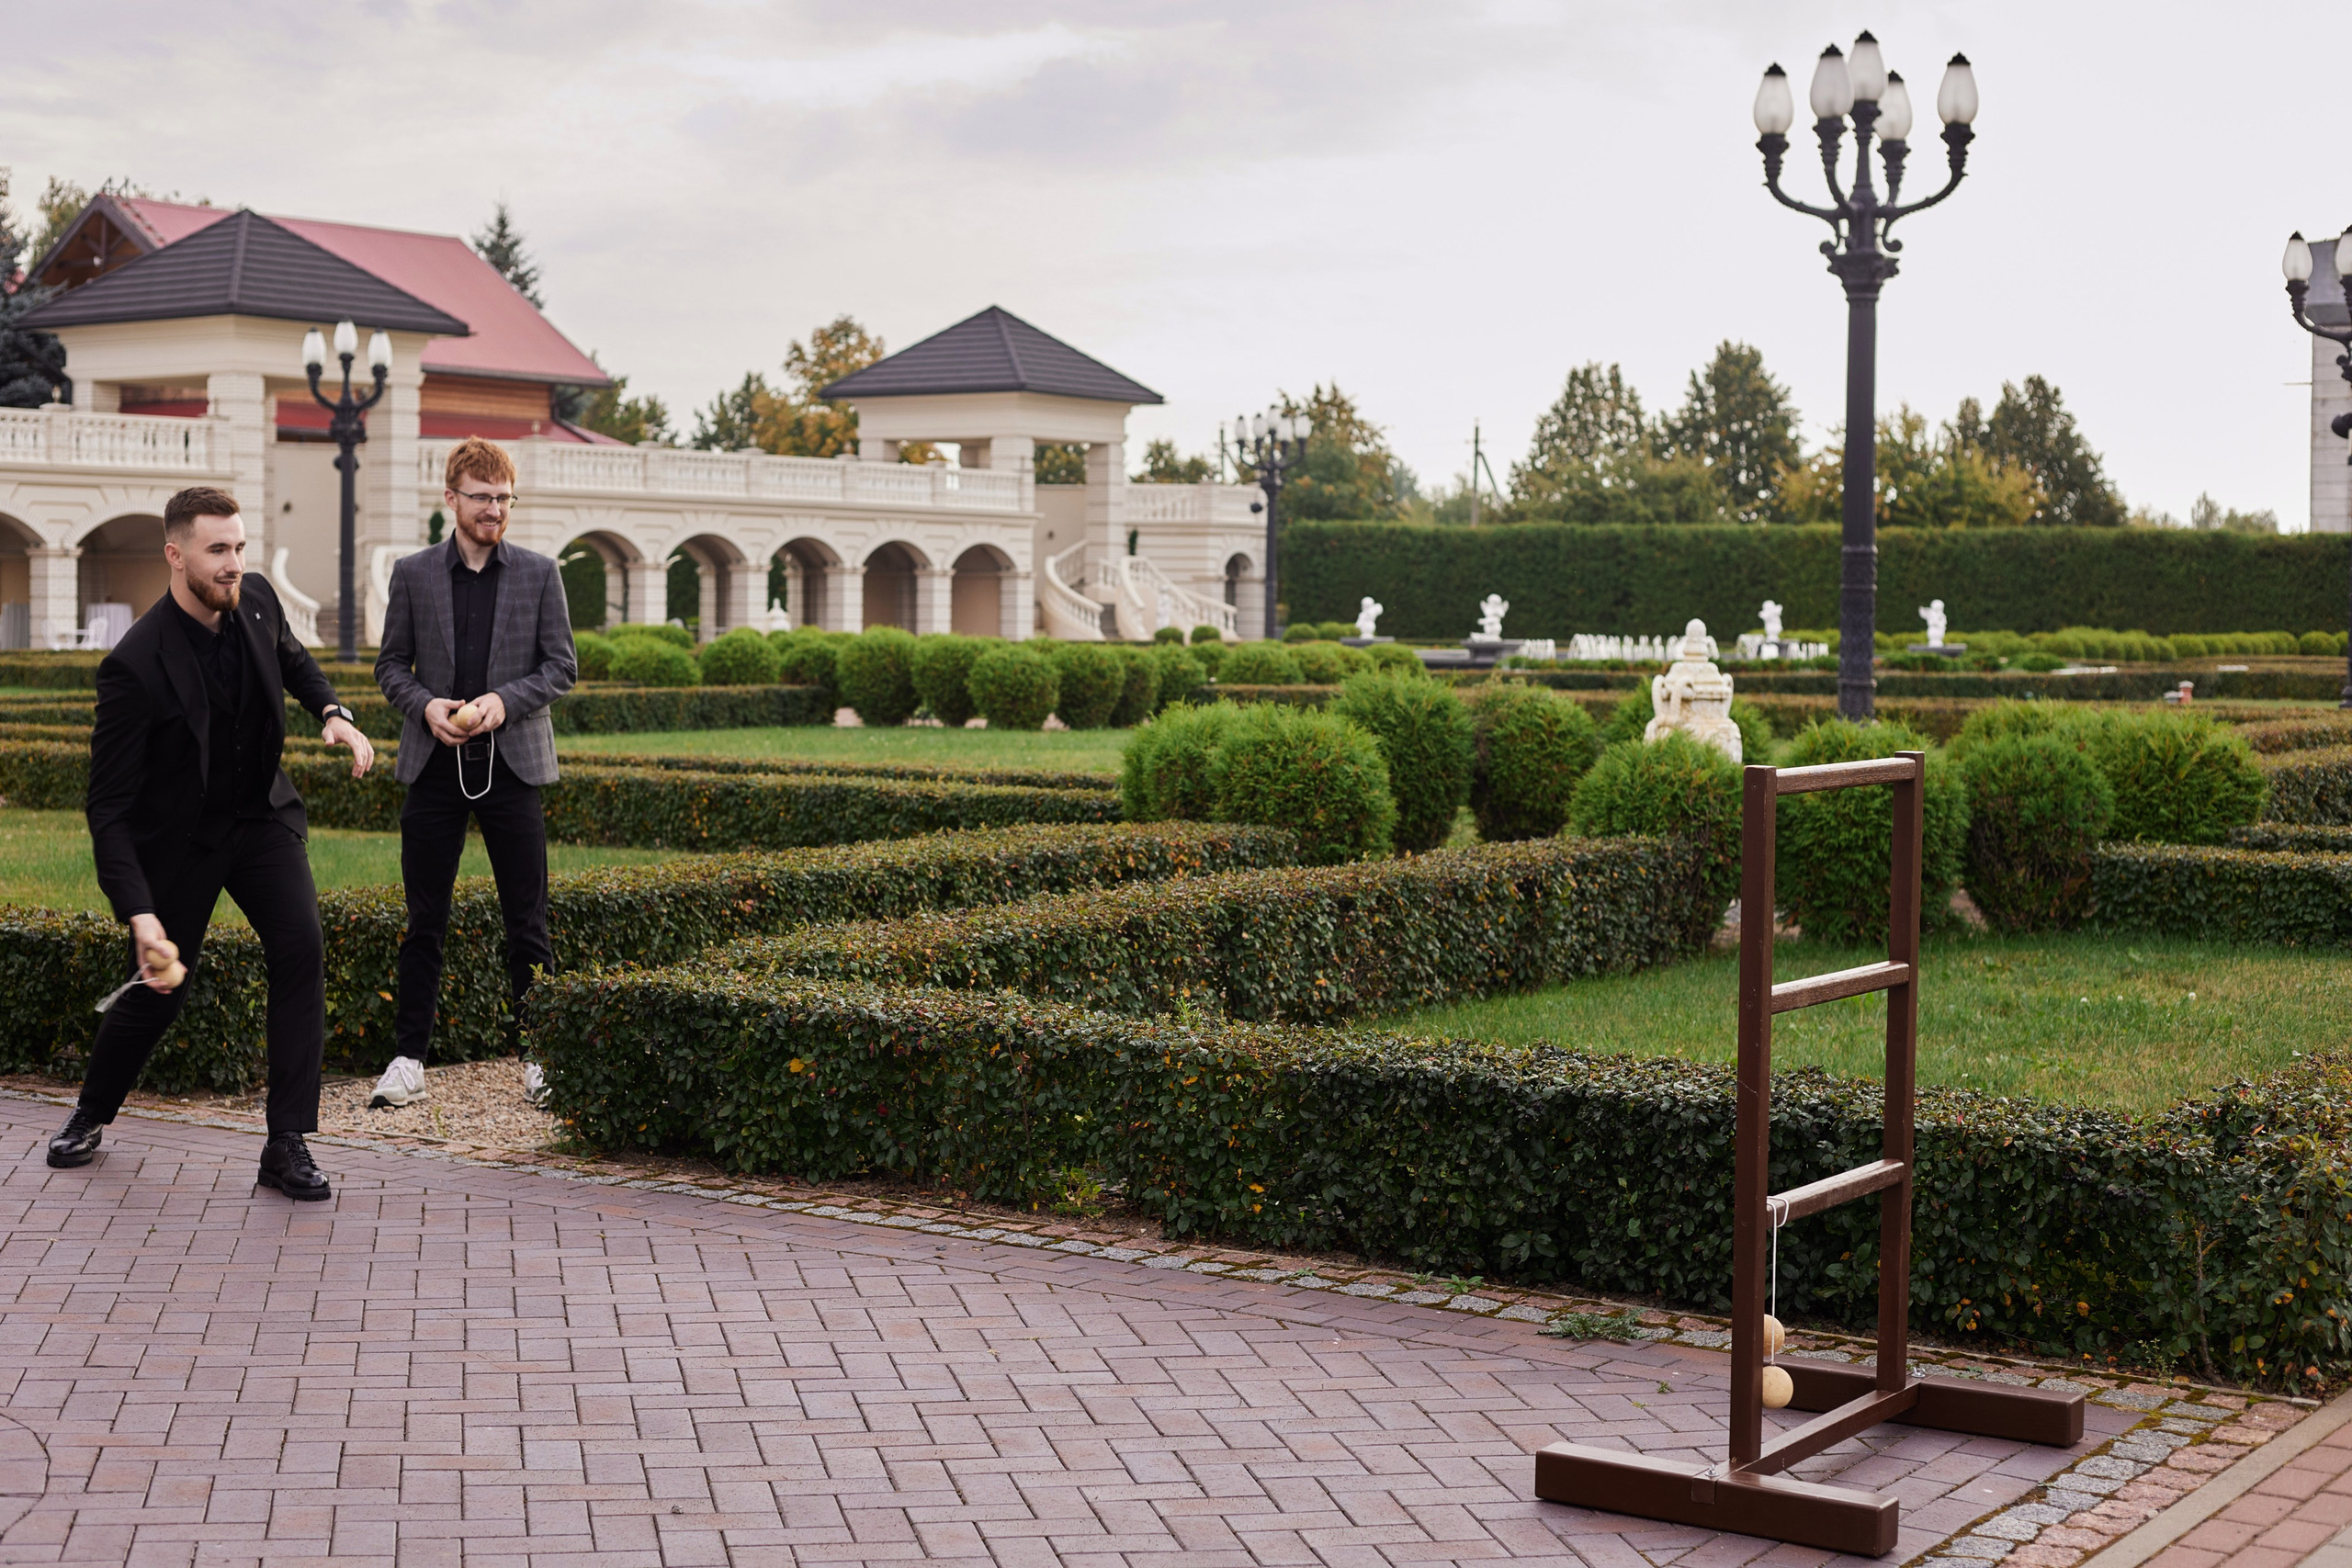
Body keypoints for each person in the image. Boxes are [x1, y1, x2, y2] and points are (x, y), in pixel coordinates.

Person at [51, 487, 375, 1197]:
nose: (234, 564)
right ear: (176, 555)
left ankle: (285, 1143)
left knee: (301, 947)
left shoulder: (255, 599)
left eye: (239, 547)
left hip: (259, 819)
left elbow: (292, 659)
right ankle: (91, 1109)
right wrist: (140, 914)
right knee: (160, 987)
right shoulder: (134, 664)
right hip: (184, 840)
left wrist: (334, 711)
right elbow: (106, 809)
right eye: (218, 550)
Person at [371, 438, 576, 1110]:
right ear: (451, 498)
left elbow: (560, 667)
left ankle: (540, 1058)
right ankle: (408, 1060)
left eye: (504, 497)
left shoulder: (541, 573)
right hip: (433, 763)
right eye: (482, 496)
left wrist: (502, 702)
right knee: (424, 919)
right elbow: (390, 666)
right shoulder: (413, 572)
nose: (495, 508)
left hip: (513, 763)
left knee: (529, 920)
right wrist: (425, 704)